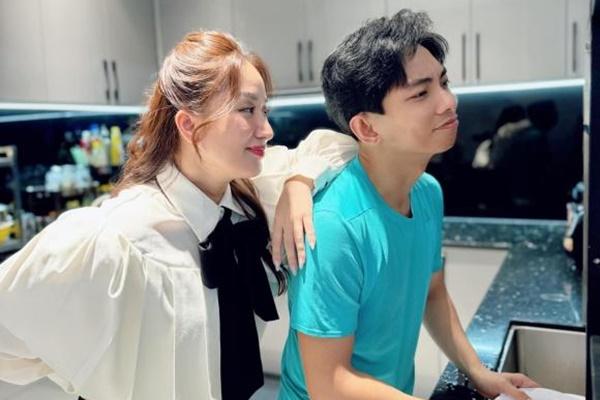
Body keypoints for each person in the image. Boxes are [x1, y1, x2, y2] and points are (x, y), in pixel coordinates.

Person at [0, 31, 356, 400]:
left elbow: (341, 147)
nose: (266, 130)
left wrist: (299, 182)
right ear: (188, 125)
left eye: (264, 110)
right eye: (247, 110)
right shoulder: (117, 236)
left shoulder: (253, 191)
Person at [279, 10, 539, 400]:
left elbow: (432, 292)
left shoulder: (427, 192)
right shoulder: (334, 225)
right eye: (421, 93)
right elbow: (328, 383)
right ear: (367, 127)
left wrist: (478, 371)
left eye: (443, 82)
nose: (448, 102)